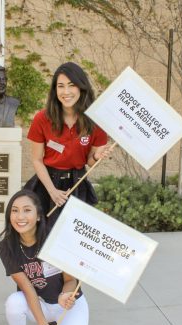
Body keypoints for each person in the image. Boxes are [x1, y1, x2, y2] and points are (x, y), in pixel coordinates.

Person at [0, 189, 89, 325]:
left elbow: (71, 280)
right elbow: (28, 289)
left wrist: (65, 295)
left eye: (27, 210)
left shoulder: (56, 239)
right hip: (39, 302)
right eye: (14, 210)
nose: (20, 216)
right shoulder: (7, 246)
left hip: (66, 303)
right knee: (14, 301)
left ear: (38, 215)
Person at [25, 62, 109, 228]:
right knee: (44, 236)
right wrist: (52, 192)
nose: (66, 92)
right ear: (55, 90)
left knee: (73, 238)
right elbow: (36, 160)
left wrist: (97, 157)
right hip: (47, 184)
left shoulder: (95, 121)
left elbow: (90, 162)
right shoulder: (42, 119)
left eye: (72, 85)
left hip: (77, 183)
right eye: (60, 86)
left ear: (81, 87)